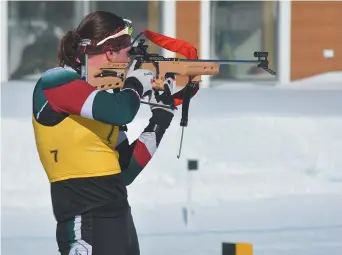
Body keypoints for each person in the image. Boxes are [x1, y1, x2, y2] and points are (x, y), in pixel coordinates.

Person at [32, 11, 176, 255]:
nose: (129, 59)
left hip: (119, 218)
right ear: (110, 51)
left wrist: (161, 118)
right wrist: (135, 84)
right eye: (127, 51)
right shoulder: (55, 82)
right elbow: (122, 111)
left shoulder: (100, 102)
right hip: (84, 219)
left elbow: (126, 170)